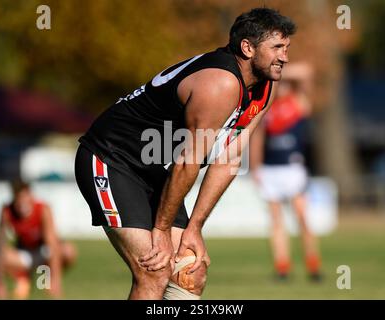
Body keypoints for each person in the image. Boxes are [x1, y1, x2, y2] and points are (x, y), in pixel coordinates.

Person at [75, 8, 296, 299]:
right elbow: (188, 162)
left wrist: (195, 228)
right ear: (247, 47)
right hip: (110, 159)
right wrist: (162, 230)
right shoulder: (220, 83)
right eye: (277, 48)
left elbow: (229, 159)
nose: (285, 57)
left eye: (287, 48)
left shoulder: (265, 88)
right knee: (153, 270)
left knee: (190, 274)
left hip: (154, 171)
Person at [250, 62, 322, 281]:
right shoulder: (266, 106)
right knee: (276, 221)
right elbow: (257, 138)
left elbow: (307, 71)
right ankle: (282, 268)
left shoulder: (298, 101)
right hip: (270, 170)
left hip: (293, 169)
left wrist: (276, 71)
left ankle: (313, 266)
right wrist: (255, 167)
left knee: (302, 218)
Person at [0, 180, 77, 299]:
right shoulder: (7, 211)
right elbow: (0, 244)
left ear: (31, 196)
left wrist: (56, 282)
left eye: (25, 198)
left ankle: (46, 279)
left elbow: (52, 244)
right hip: (22, 254)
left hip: (43, 252)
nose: (22, 203)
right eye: (18, 199)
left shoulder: (42, 209)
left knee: (68, 251)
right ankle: (22, 277)